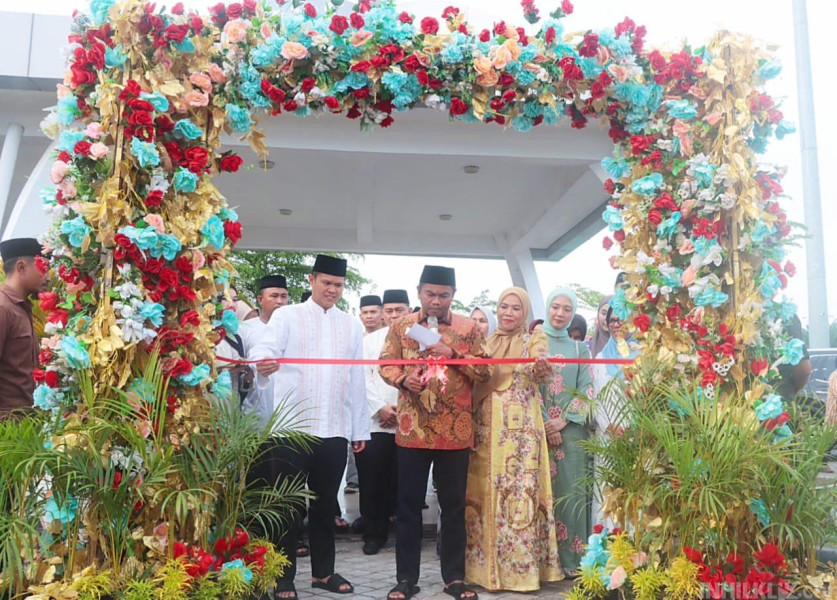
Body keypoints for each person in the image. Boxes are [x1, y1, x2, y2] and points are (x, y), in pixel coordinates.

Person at [250, 255, 369, 600]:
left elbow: (356, 379)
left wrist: (358, 430)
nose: (332, 290)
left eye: (338, 286)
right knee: (287, 507)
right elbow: (264, 345)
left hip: (333, 430)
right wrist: (263, 361)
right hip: (291, 429)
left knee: (324, 507)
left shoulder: (350, 324)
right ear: (312, 280)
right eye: (327, 283)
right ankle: (283, 576)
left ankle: (323, 573)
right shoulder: (287, 315)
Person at [379, 266, 491, 600]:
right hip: (413, 430)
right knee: (408, 506)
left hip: (455, 431)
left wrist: (454, 353)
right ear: (419, 292)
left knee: (453, 506)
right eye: (430, 294)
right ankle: (405, 579)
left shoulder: (468, 328)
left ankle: (454, 578)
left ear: (453, 295)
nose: (436, 301)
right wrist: (402, 380)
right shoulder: (401, 326)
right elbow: (385, 363)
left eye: (444, 295)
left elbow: (485, 370)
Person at [465, 287, 563, 591]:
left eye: (516, 308)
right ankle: (484, 573)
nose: (508, 313)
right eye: (503, 307)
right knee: (484, 495)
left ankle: (522, 573)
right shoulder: (486, 343)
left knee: (518, 498)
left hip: (520, 440)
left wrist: (540, 366)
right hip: (485, 431)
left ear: (525, 313)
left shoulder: (532, 339)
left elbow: (542, 369)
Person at [540, 287, 595, 577]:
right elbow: (529, 389)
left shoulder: (580, 348)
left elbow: (588, 388)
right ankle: (542, 564)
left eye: (566, 309)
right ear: (547, 308)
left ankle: (573, 561)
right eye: (555, 307)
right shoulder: (533, 344)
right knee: (540, 496)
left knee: (572, 493)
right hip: (539, 430)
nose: (560, 314)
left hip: (572, 433)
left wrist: (564, 421)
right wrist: (547, 422)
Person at [355, 289, 410, 555]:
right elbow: (361, 377)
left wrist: (402, 408)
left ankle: (407, 535)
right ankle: (374, 535)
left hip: (410, 421)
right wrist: (380, 408)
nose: (393, 315)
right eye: (388, 310)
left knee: (407, 483)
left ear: (409, 310)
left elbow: (431, 374)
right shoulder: (369, 341)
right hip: (376, 422)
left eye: (399, 310)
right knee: (372, 480)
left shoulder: (422, 339)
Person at [0, 238, 47, 417]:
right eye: (43, 268)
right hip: (7, 429)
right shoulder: (3, 307)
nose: (48, 277)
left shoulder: (21, 307)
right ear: (21, 268)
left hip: (24, 425)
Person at [239, 275, 290, 428]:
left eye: (283, 296)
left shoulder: (296, 329)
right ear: (260, 300)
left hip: (289, 414)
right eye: (274, 296)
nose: (279, 302)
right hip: (255, 411)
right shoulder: (244, 329)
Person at [214, 288, 252, 404]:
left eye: (235, 300)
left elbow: (238, 382)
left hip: (231, 408)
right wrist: (227, 366)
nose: (231, 304)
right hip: (209, 406)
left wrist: (248, 375)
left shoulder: (236, 336)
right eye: (225, 299)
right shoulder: (203, 333)